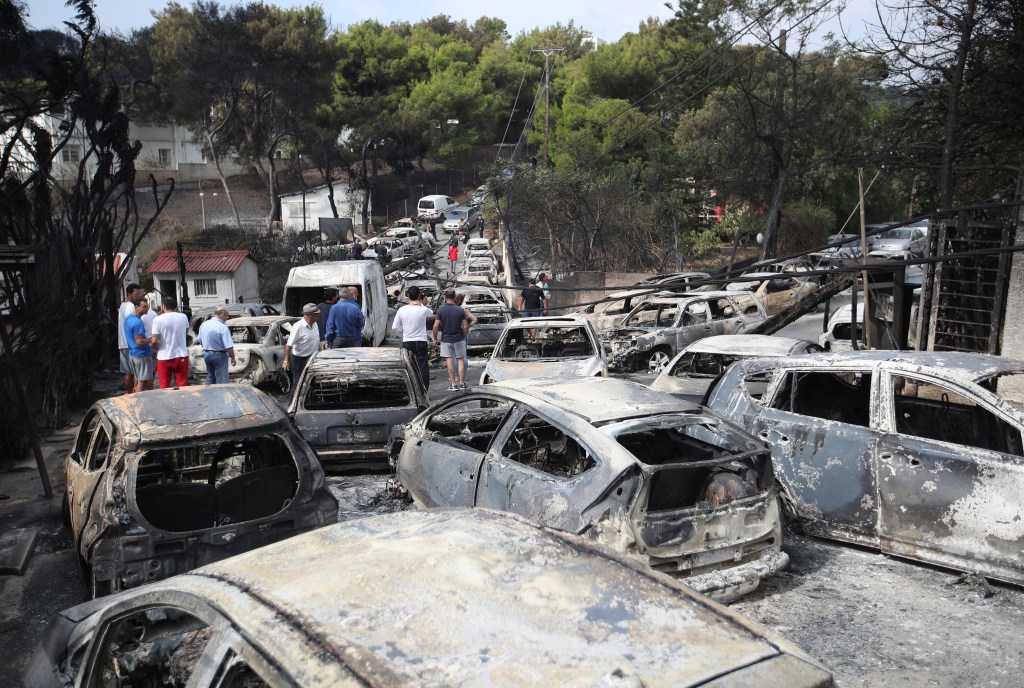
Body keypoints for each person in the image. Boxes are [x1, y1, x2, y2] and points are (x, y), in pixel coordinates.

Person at [392, 286, 433, 391]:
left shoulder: (401, 310)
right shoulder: (423, 310)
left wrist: (404, 330)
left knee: (408, 366)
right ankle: (424, 389)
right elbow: (431, 314)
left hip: (407, 340)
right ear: (419, 296)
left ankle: (411, 389)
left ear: (408, 296)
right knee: (422, 365)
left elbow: (395, 327)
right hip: (421, 340)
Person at [432, 288, 470, 391]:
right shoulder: (460, 310)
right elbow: (465, 327)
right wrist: (463, 335)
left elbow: (435, 326)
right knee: (460, 360)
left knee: (449, 360)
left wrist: (435, 339)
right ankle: (462, 384)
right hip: (459, 338)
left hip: (446, 339)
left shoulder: (440, 310)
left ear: (445, 297)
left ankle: (453, 384)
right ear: (454, 297)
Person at [151, 296, 190, 389]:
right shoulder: (183, 317)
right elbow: (186, 331)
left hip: (164, 356)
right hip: (181, 355)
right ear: (175, 307)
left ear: (163, 306)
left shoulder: (158, 319)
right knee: (182, 384)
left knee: (164, 386)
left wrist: (156, 349)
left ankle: (167, 403)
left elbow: (154, 340)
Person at [283, 303, 320, 388]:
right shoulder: (298, 327)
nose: (318, 316)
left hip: (312, 358)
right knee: (298, 383)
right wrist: (286, 360)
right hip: (300, 360)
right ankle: (293, 401)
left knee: (312, 383)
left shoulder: (315, 324)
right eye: (316, 314)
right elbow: (289, 345)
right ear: (310, 315)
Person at [197, 306, 236, 385]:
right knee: (222, 380)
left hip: (207, 354)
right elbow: (228, 346)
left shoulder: (204, 324)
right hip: (219, 355)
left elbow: (200, 340)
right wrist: (233, 357)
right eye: (227, 316)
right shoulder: (222, 327)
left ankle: (208, 394)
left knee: (211, 376)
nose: (227, 318)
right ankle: (221, 395)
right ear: (222, 315)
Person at [123, 299, 154, 393]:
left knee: (138, 380)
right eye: (144, 306)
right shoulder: (137, 322)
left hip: (133, 353)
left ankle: (137, 400)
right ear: (137, 307)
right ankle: (138, 402)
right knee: (143, 381)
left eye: (147, 306)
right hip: (141, 354)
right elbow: (139, 342)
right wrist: (152, 339)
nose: (147, 308)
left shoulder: (129, 318)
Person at [117, 283, 142, 393]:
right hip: (130, 344)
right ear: (129, 294)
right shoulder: (130, 306)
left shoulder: (123, 305)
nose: (138, 296)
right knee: (135, 373)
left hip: (123, 343)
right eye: (136, 294)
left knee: (128, 372)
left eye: (139, 293)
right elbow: (132, 323)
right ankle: (134, 395)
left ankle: (129, 393)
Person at [453, 293, 478, 379]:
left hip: (454, 333)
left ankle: (456, 375)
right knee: (463, 354)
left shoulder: (452, 310)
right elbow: (475, 319)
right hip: (464, 333)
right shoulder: (464, 310)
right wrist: (469, 326)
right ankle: (463, 375)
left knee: (454, 355)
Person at [140, 299, 158, 385]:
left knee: (144, 371)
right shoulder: (154, 313)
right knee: (152, 367)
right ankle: (151, 383)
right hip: (153, 341)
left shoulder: (141, 316)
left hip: (145, 344)